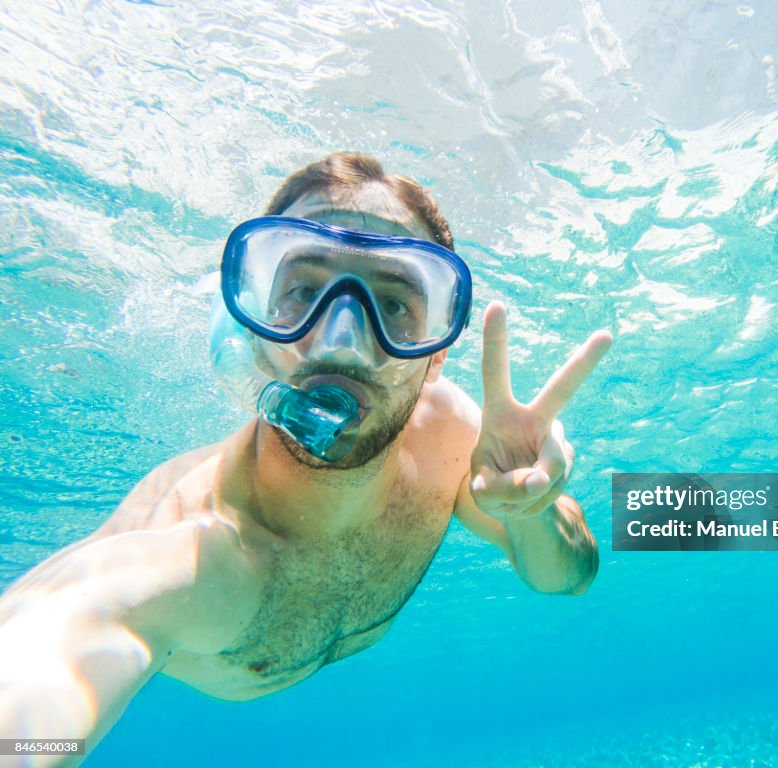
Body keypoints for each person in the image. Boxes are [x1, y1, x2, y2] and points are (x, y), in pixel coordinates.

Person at [0, 152, 612, 762]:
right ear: (255, 336)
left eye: (393, 304)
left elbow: (571, 578)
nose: (341, 341)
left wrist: (533, 510)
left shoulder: (451, 436)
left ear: (435, 356)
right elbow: (59, 641)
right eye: (302, 293)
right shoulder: (199, 556)